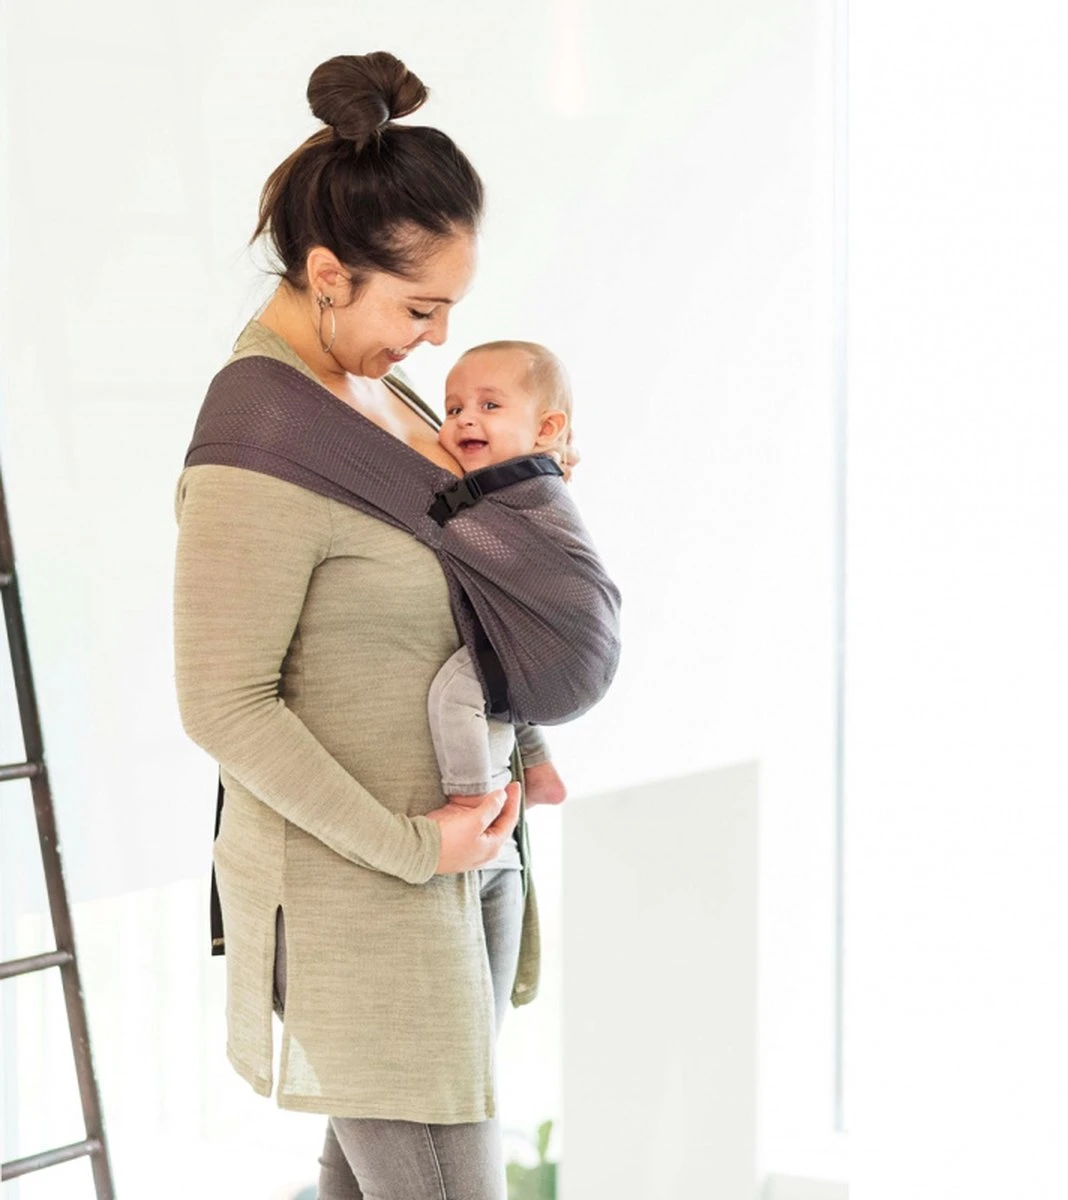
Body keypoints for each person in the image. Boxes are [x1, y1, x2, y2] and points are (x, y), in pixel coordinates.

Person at [174, 51, 558, 1200]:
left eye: (450, 310)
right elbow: (224, 704)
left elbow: (457, 593)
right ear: (330, 276)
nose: (437, 341)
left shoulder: (380, 396)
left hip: (465, 874)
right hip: (370, 904)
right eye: (419, 308)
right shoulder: (259, 437)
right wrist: (415, 848)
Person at [428, 340, 575, 809]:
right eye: (453, 409)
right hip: (536, 635)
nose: (465, 420)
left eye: (489, 406)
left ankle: (474, 805)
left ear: (545, 428)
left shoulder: (522, 484)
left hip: (559, 639)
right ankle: (538, 769)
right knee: (498, 674)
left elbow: (449, 528)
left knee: (456, 695)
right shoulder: (530, 480)